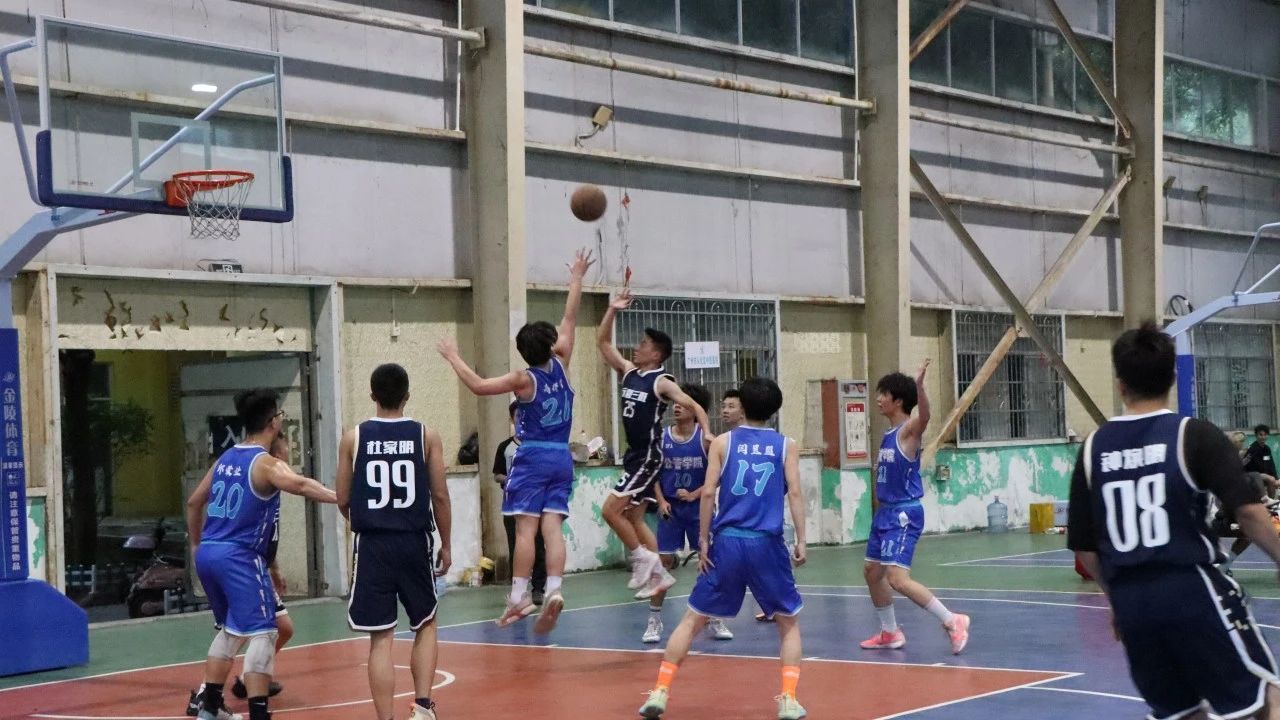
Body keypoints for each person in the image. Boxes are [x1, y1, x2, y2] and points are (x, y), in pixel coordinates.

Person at [1068, 322, 1280, 720]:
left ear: (1120, 384)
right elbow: (1249, 513)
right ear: (1172, 378)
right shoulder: (1192, 435)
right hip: (1191, 590)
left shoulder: (1093, 448)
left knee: (1180, 712)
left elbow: (1085, 548)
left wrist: (1118, 599)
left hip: (1132, 602)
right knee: (1266, 697)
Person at [439, 249, 594, 632]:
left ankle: (520, 595)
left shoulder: (523, 379)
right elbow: (570, 318)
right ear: (551, 345)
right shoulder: (563, 364)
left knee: (526, 529)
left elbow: (478, 386)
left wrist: (453, 356)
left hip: (533, 456)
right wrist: (576, 278)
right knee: (552, 528)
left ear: (523, 352)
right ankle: (554, 588)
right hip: (562, 457)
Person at [638, 378, 807, 720]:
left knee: (692, 619)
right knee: (787, 623)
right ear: (775, 409)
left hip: (727, 541)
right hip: (766, 543)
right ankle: (788, 699)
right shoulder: (786, 445)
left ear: (742, 405)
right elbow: (795, 492)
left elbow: (708, 493)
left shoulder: (722, 443)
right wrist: (802, 539)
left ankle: (660, 691)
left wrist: (703, 541)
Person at [187, 390, 337, 720]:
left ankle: (209, 707)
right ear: (273, 422)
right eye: (280, 414)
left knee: (231, 631)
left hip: (209, 553)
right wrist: (341, 498)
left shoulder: (225, 458)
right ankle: (258, 712)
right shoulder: (265, 463)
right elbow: (301, 485)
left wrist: (197, 545)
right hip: (238, 557)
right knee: (265, 632)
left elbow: (194, 502)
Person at [337, 363, 452, 720]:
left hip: (372, 544)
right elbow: (440, 495)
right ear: (407, 395)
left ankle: (385, 718)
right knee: (426, 623)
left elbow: (342, 498)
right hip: (413, 541)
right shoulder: (426, 435)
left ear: (372, 395)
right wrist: (447, 544)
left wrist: (368, 520)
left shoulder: (353, 438)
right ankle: (423, 708)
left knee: (380, 638)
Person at [597, 287, 712, 598]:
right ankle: (659, 575)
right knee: (633, 517)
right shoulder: (628, 371)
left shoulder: (662, 382)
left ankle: (642, 560)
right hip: (634, 456)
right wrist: (612, 309)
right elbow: (603, 342)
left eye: (644, 344)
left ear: (657, 354)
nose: (637, 347)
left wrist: (706, 431)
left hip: (649, 456)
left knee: (610, 511)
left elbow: (695, 405)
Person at [860, 360, 971, 655]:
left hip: (903, 513)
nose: (878, 399)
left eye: (884, 394)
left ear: (898, 401)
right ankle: (890, 632)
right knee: (872, 572)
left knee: (897, 579)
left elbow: (926, 416)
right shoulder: (887, 435)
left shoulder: (908, 431)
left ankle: (953, 620)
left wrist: (920, 387)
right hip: (885, 513)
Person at [186, 434, 294, 716]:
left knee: (274, 628)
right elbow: (196, 503)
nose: (288, 461)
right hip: (238, 564)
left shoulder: (269, 488)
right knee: (254, 630)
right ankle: (213, 695)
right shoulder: (260, 478)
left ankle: (231, 689)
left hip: (237, 562)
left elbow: (266, 539)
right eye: (285, 455)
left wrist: (274, 570)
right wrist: (339, 497)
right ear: (274, 457)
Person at [645, 382, 732, 644]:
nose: (676, 407)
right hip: (671, 510)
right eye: (675, 403)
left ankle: (713, 617)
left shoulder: (706, 441)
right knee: (662, 563)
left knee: (709, 561)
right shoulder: (662, 438)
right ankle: (654, 619)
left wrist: (695, 494)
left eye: (683, 404)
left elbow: (718, 477)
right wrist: (661, 500)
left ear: (696, 410)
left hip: (698, 509)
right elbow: (653, 473)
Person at [495, 401, 546, 605]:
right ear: (512, 419)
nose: (521, 420)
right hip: (512, 506)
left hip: (535, 505)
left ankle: (539, 589)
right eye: (517, 416)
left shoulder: (538, 445)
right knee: (516, 547)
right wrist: (511, 479)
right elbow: (497, 475)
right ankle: (519, 590)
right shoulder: (505, 447)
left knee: (538, 547)